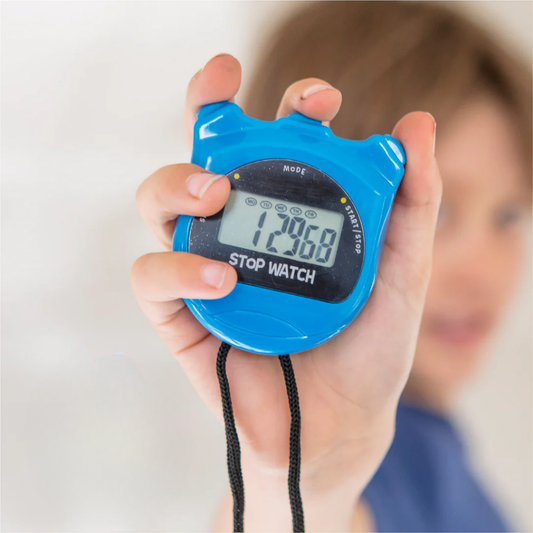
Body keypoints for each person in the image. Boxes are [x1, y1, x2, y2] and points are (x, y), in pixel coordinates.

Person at [130, 2, 531, 531]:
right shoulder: (378, 464)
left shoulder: (426, 447)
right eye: (443, 213)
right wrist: (299, 483)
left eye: (508, 214)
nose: (483, 273)